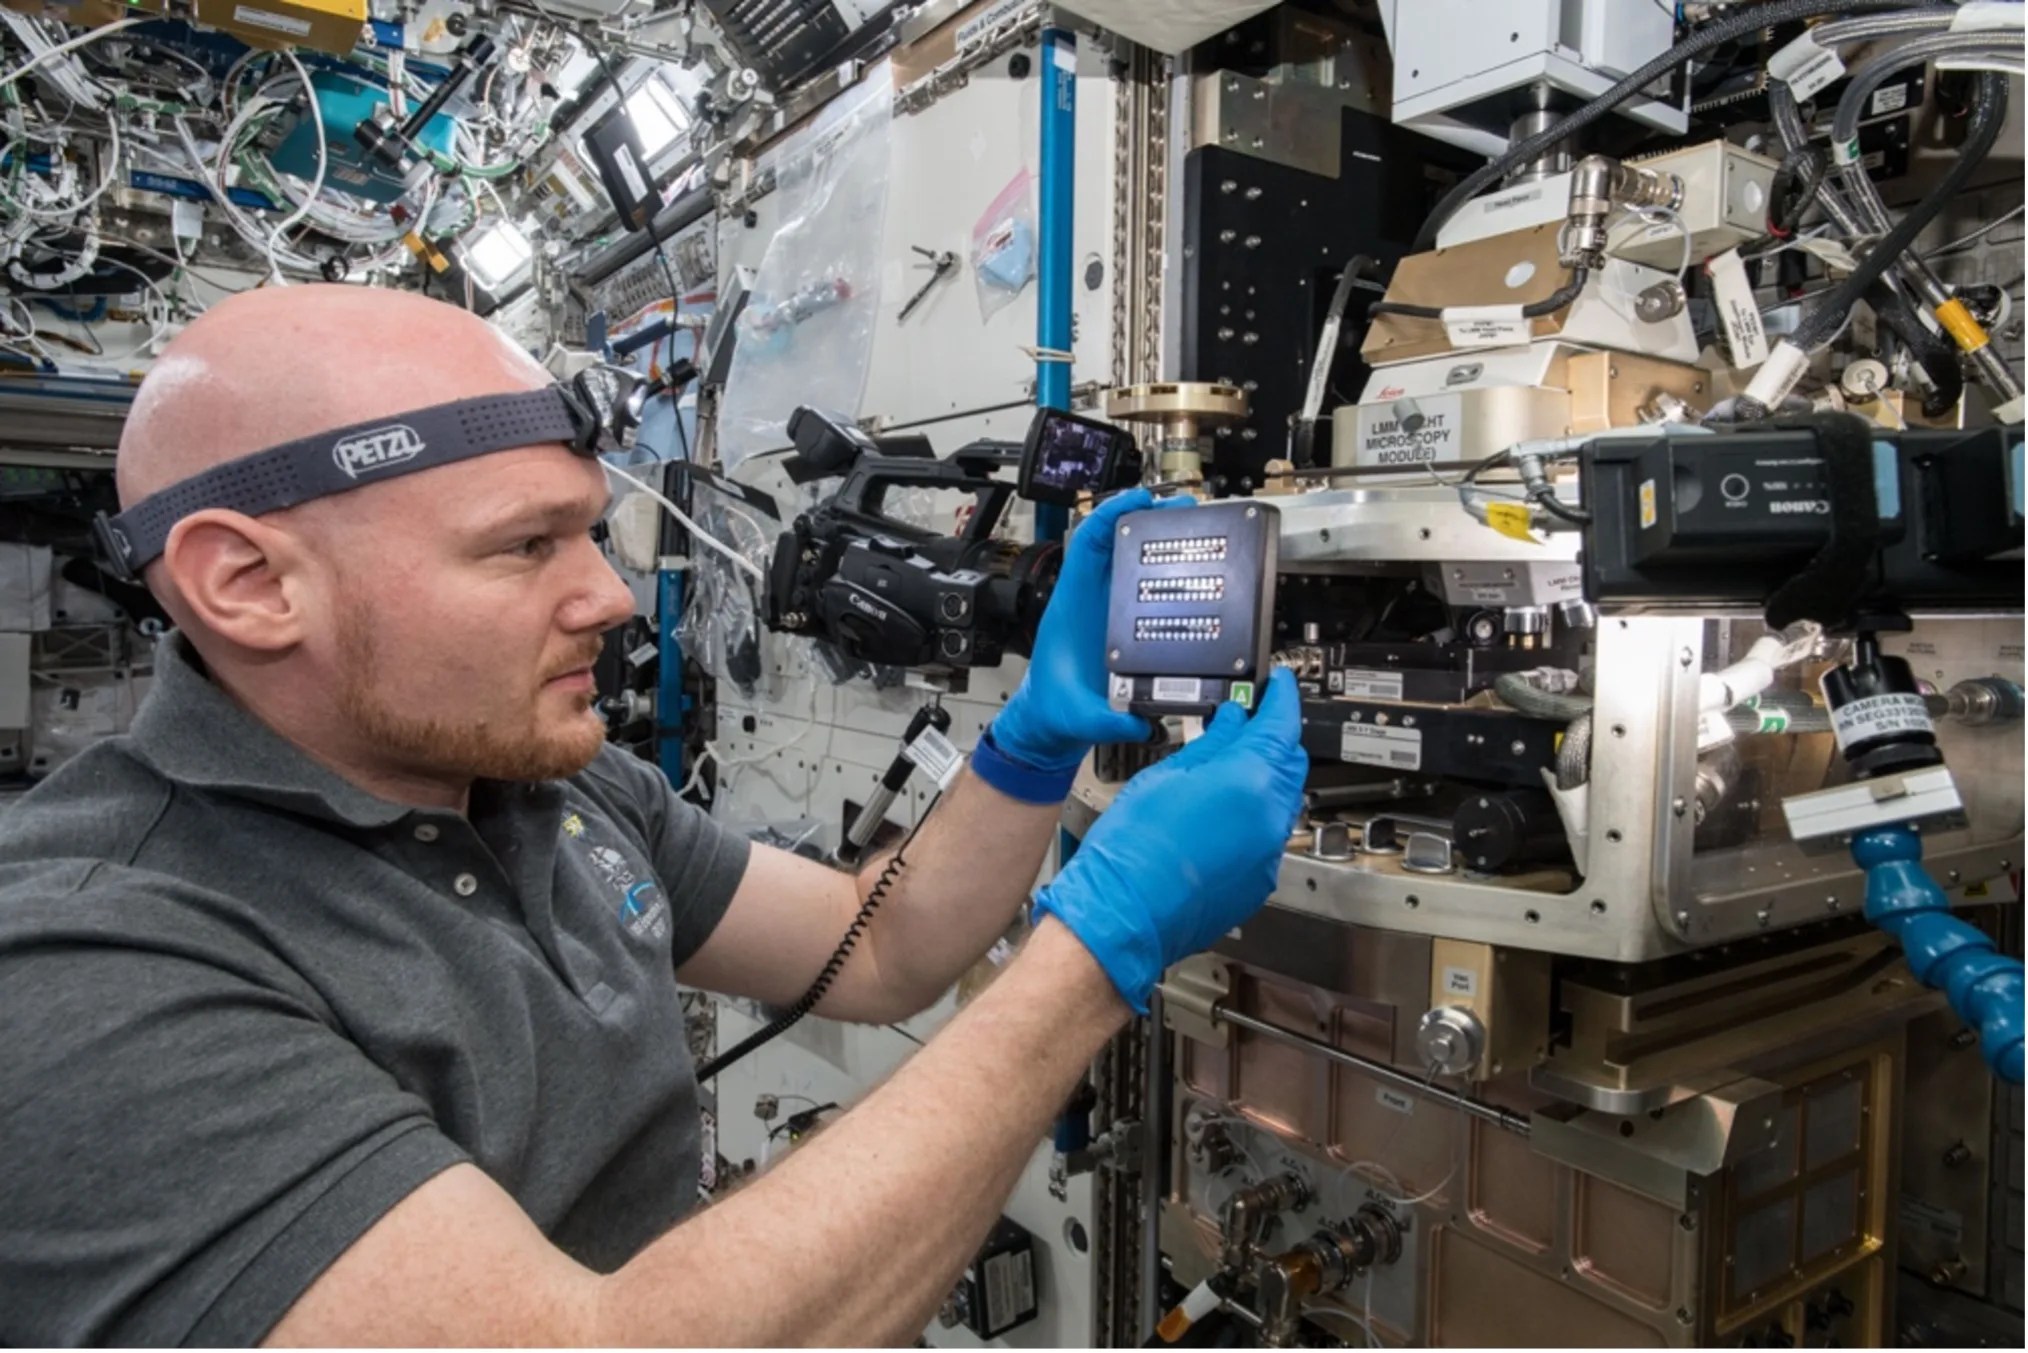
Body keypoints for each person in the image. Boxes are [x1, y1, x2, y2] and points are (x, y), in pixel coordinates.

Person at [0, 285, 1307, 1346]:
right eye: (526, 547)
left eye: (595, 534)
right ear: (245, 582)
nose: (617, 598)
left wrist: (1028, 747)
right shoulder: (89, 965)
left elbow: (878, 939)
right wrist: (1098, 950)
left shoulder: (548, 786)